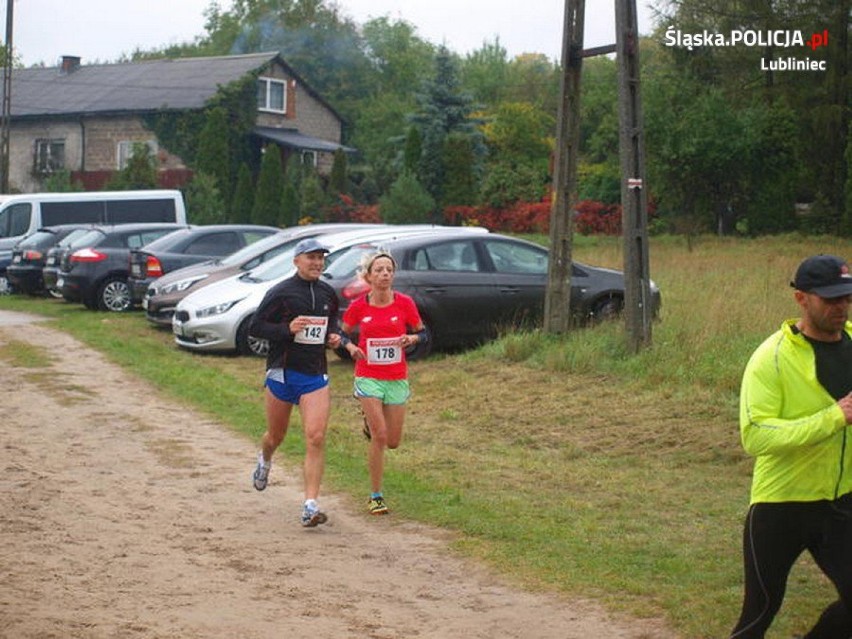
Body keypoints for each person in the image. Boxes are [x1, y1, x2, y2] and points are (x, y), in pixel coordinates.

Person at [729, 254, 852, 638]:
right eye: (830, 298)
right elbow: (757, 437)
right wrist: (834, 417)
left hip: (840, 503)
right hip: (780, 507)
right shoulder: (772, 358)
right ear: (801, 298)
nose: (841, 306)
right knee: (759, 614)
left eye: (847, 297)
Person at [248, 237, 342, 528]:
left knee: (315, 437)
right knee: (276, 436)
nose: (316, 263)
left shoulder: (328, 294)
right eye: (310, 257)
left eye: (320, 258)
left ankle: (310, 505)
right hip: (283, 372)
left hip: (314, 375)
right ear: (297, 261)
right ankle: (265, 459)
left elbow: (333, 324)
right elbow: (256, 327)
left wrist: (335, 338)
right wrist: (286, 329)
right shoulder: (281, 293)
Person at [339, 250, 426, 515]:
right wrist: (351, 347)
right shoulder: (358, 307)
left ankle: (370, 421)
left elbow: (423, 332)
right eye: (379, 270)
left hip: (396, 378)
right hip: (368, 376)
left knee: (393, 441)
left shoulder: (405, 303)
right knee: (380, 435)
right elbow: (340, 334)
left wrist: (412, 339)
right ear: (368, 276)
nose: (385, 274)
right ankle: (376, 496)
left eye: (389, 270)